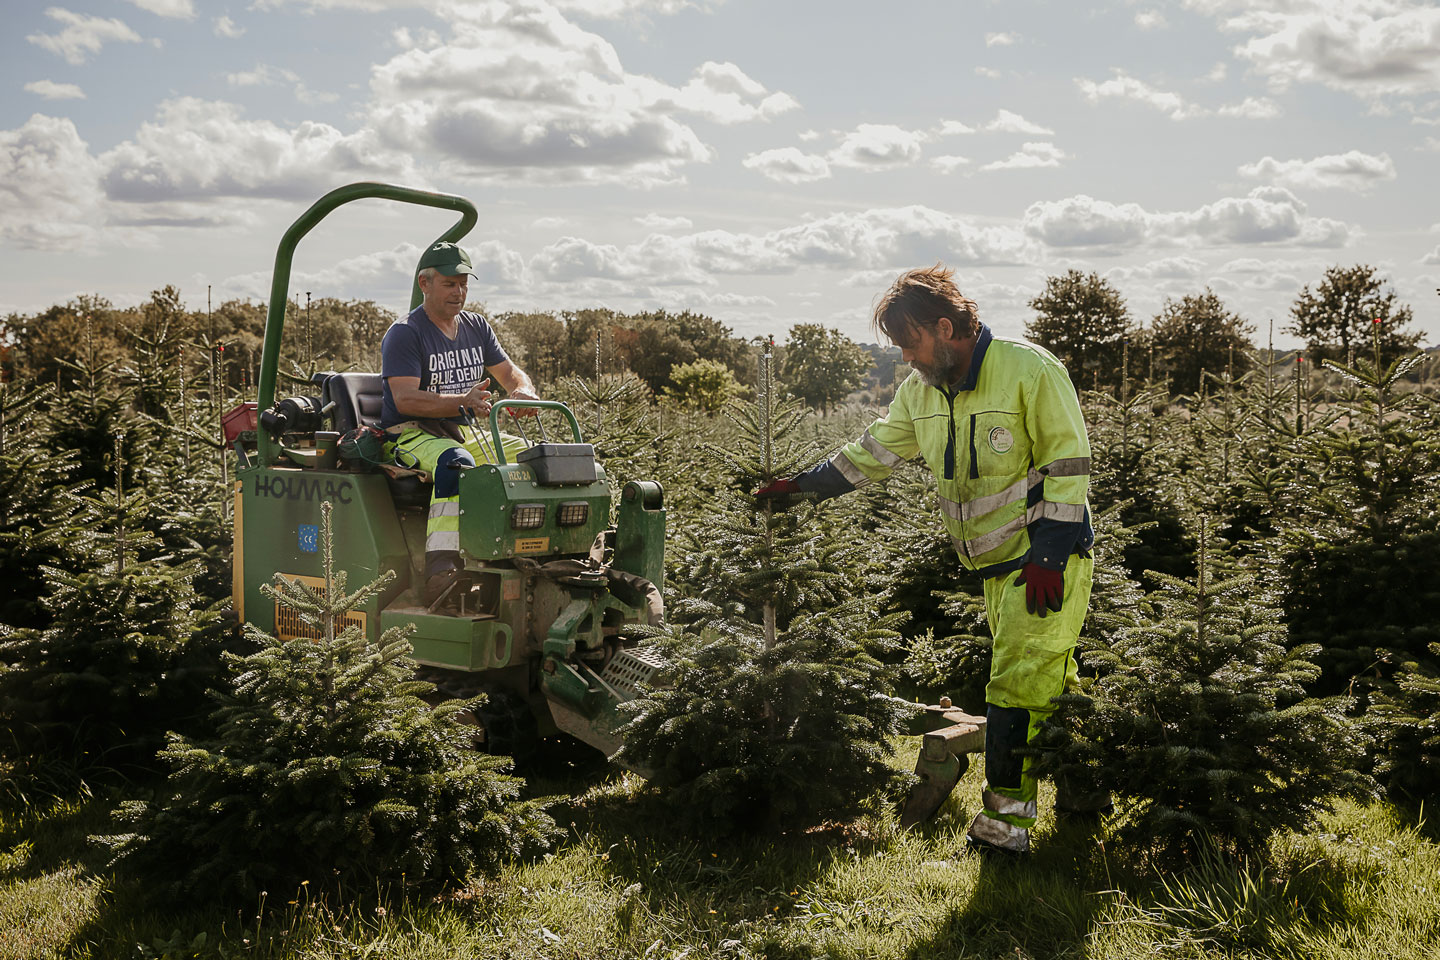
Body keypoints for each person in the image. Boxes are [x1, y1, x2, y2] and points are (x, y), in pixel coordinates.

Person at [755, 264, 1098, 856]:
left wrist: (1048, 556)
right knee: (1054, 681)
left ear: (946, 327)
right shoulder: (922, 392)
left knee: (1016, 686)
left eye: (910, 343)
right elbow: (875, 451)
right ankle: (1088, 791)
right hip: (993, 566)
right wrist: (802, 488)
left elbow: (1068, 467)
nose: (905, 358)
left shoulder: (1029, 370)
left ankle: (1004, 828)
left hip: (1045, 564)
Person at [380, 240, 540, 610]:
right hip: (410, 433)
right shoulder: (406, 333)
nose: (460, 292)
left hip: (458, 429)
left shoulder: (476, 327)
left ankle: (527, 552)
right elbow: (405, 398)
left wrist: (522, 390)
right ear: (425, 283)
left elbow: (509, 372)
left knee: (535, 457)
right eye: (450, 284)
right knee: (456, 463)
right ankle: (442, 570)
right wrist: (461, 402)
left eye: (464, 283)